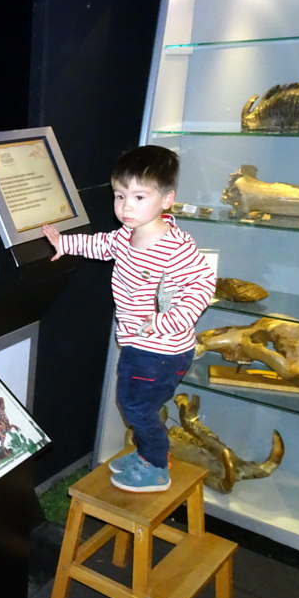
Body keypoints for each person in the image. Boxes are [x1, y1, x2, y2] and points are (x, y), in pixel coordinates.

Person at [43, 145, 215, 493]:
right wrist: (66, 242)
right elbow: (102, 245)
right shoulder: (127, 235)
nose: (126, 206)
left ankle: (156, 465)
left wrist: (168, 322)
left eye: (139, 196)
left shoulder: (175, 246)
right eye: (120, 196)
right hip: (139, 343)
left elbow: (202, 284)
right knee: (135, 403)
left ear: (167, 199)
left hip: (162, 349)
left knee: (136, 407)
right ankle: (146, 453)